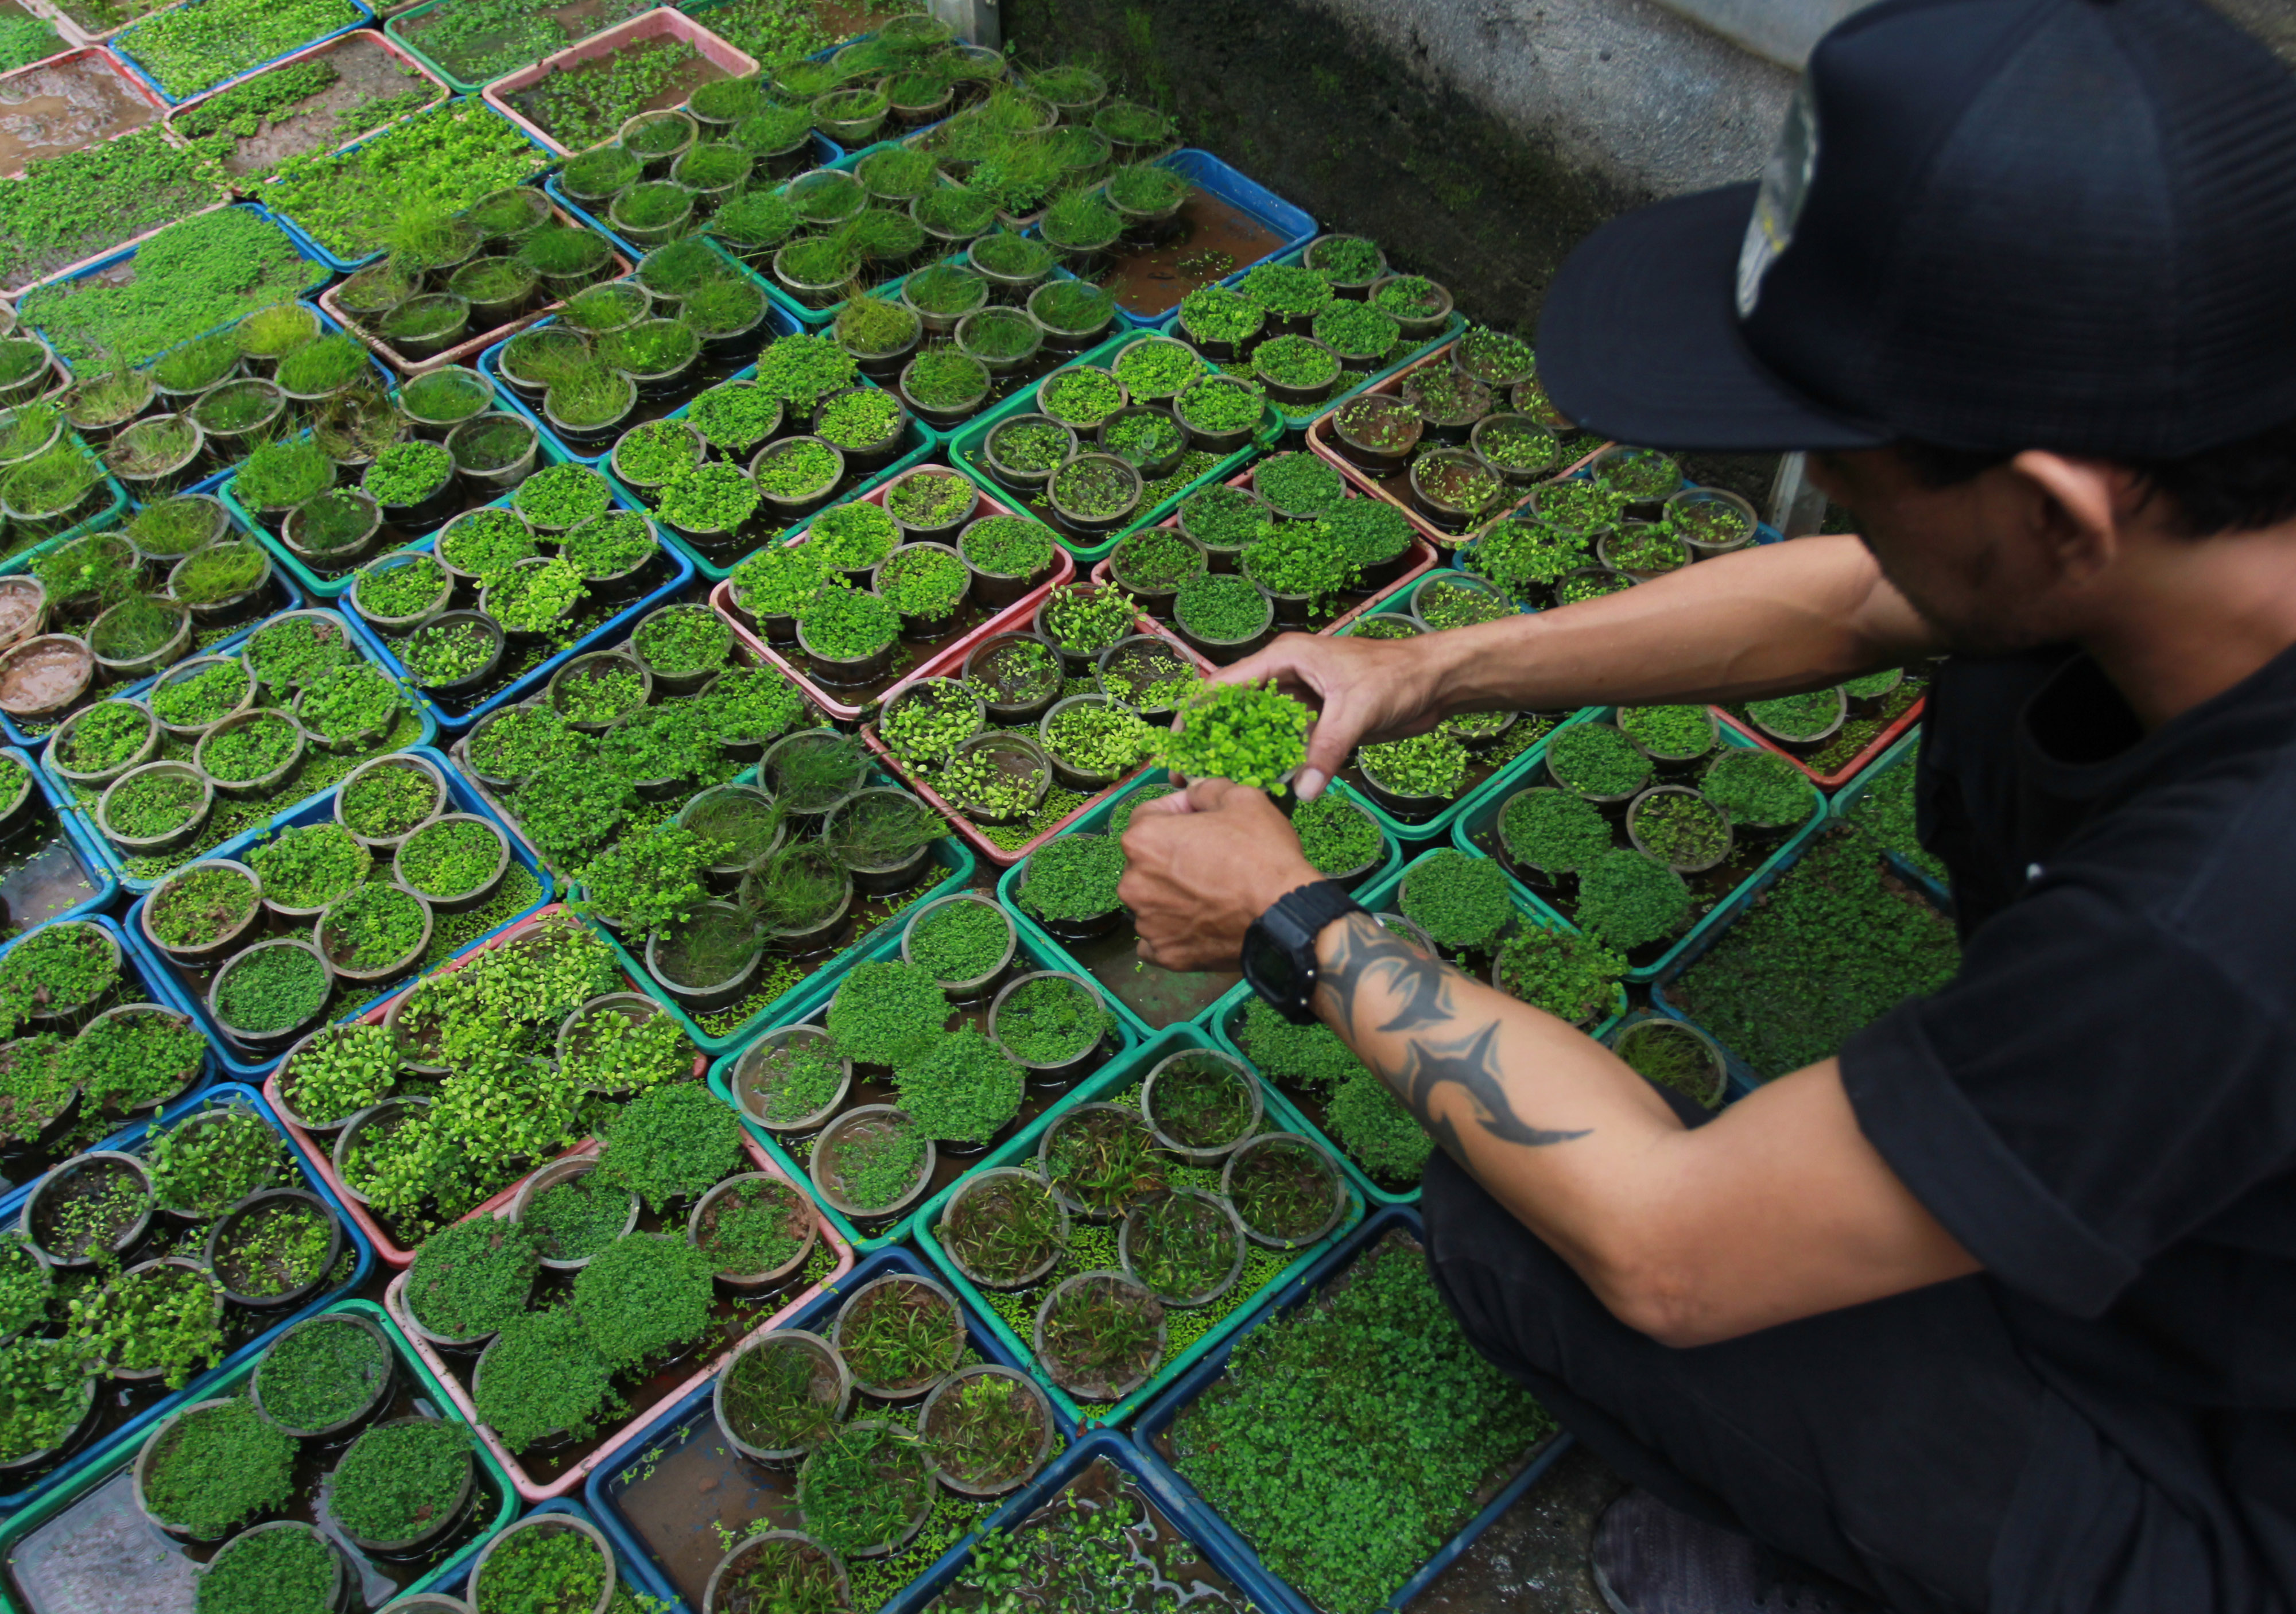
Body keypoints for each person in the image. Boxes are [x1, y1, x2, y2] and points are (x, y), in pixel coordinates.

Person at [1116, 0, 2296, 1609]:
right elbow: (1862, 600)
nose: (1851, 515)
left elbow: (1670, 1247)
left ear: (2049, 508)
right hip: (2187, 1203)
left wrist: (1296, 923)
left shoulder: (2221, 918)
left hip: (2240, 1469)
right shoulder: (2212, 467)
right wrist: (1431, 665)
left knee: (1528, 1230)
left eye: (1861, 475)